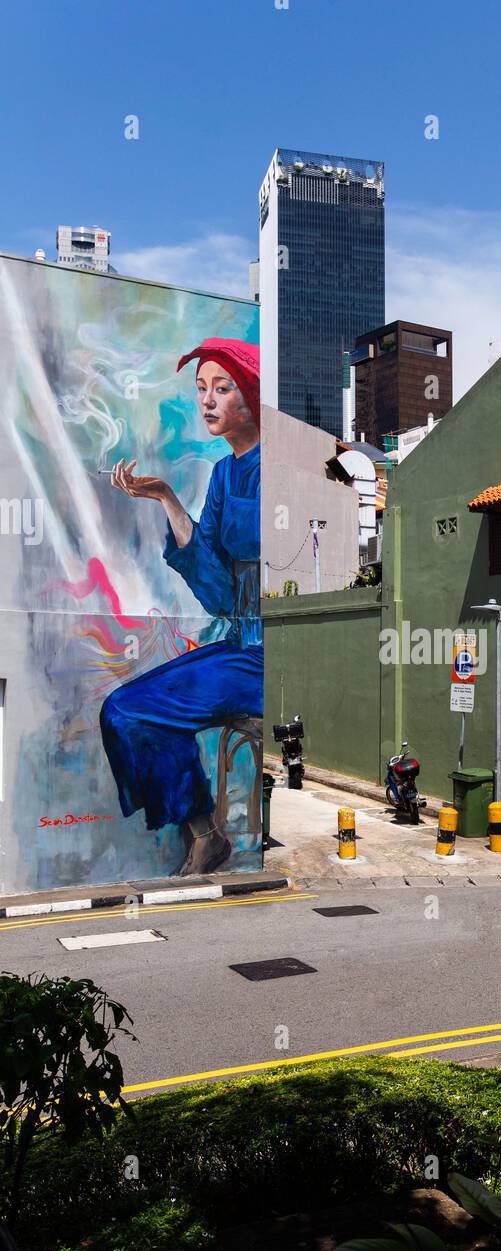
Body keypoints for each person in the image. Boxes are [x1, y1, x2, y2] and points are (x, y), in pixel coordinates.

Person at [100, 338, 262, 875]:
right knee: (125, 710)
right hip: (238, 645)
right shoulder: (224, 474)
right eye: (200, 390)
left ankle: (205, 838)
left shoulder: (280, 468)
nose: (208, 401)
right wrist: (168, 498)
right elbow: (215, 590)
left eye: (222, 388)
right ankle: (204, 833)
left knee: (134, 708)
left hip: (275, 655)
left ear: (253, 394)